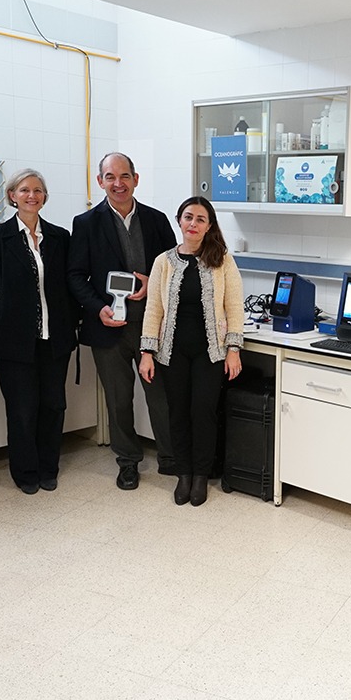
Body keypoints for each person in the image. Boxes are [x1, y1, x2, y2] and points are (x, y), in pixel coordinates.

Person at [69, 153, 177, 490]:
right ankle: (128, 461)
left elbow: (175, 269)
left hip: (151, 326)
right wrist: (98, 308)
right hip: (108, 327)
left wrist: (152, 282)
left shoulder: (157, 220)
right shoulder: (86, 223)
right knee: (118, 400)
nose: (118, 183)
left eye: (125, 176)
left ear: (136, 179)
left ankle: (171, 457)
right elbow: (75, 276)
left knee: (161, 396)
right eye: (110, 177)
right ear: (100, 181)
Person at [138, 196, 243, 507]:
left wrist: (234, 349)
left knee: (203, 412)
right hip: (173, 352)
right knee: (178, 413)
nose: (193, 224)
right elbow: (153, 309)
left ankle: (201, 475)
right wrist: (147, 352)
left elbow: (234, 306)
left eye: (200, 219)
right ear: (179, 221)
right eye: (188, 217)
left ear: (209, 226)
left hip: (210, 352)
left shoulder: (222, 260)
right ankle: (183, 473)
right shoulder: (164, 261)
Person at [0, 169, 77, 494]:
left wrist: (71, 320)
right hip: (14, 342)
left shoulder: (60, 237)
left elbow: (69, 284)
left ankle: (49, 468)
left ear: (45, 197)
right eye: (24, 190)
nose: (31, 195)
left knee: (53, 406)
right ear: (12, 196)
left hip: (55, 338)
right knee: (22, 411)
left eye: (37, 190)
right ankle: (25, 472)